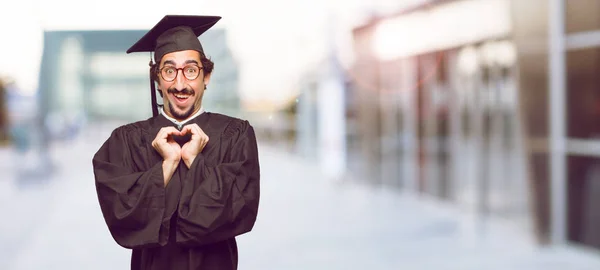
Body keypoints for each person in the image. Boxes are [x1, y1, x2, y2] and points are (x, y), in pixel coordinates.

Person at [92, 15, 260, 270]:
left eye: (191, 70)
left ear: (206, 77)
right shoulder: (126, 141)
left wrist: (194, 160)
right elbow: (121, 216)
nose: (180, 84)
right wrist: (166, 166)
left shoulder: (235, 135)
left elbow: (238, 212)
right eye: (169, 71)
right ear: (157, 79)